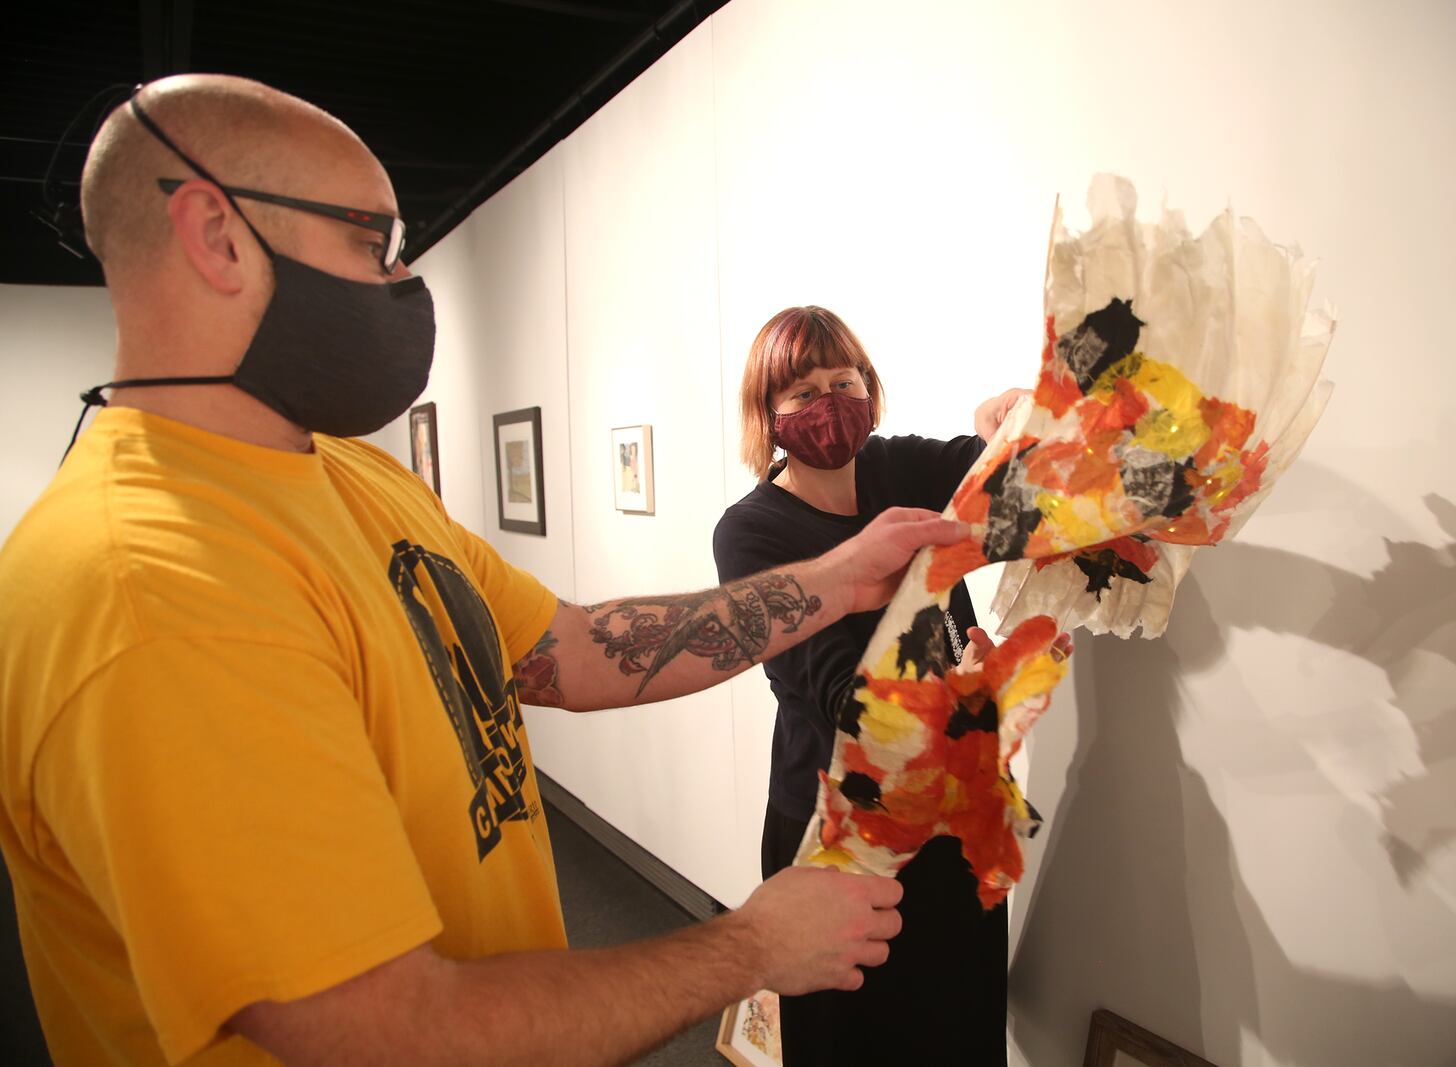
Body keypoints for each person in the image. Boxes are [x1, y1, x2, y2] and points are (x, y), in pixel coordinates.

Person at [0, 76, 971, 1067]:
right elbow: (388, 1027)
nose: (404, 275)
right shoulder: (152, 592)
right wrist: (750, 943)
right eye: (371, 241)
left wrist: (843, 577)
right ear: (218, 235)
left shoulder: (350, 475)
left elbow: (574, 649)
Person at [712, 306, 1029, 1065]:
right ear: (768, 414)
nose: (829, 403)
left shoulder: (899, 470)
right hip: (840, 832)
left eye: (843, 381)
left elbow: (1013, 471)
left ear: (870, 388)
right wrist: (973, 688)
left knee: (962, 1020)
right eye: (802, 393)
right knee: (853, 1040)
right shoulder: (751, 531)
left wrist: (1013, 423)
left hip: (955, 815)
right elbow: (836, 694)